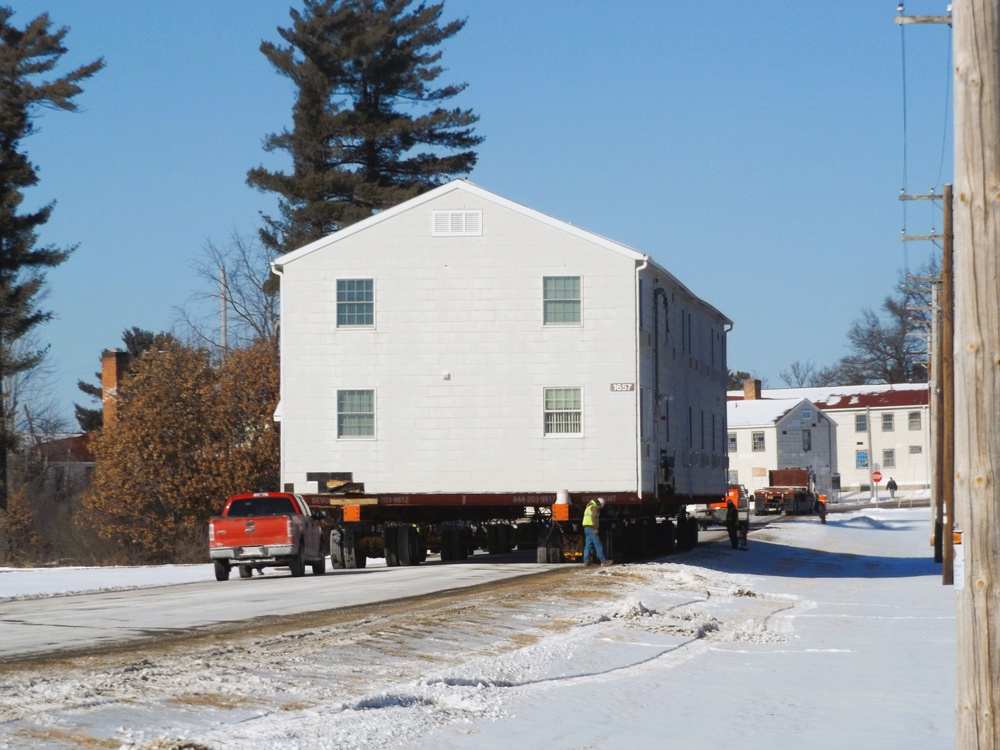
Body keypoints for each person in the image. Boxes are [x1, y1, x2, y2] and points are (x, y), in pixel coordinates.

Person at [582, 497, 613, 567]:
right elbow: (593, 517)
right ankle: (603, 561)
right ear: (599, 503)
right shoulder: (595, 507)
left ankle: (586, 562)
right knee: (598, 544)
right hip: (591, 527)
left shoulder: (588, 507)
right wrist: (595, 528)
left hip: (586, 528)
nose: (601, 507)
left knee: (588, 545)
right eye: (601, 505)